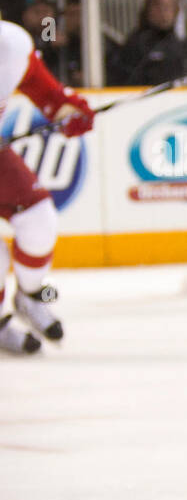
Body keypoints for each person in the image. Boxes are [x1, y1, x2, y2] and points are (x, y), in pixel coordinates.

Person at [0, 19, 94, 354]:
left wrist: (72, 113)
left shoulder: (11, 46)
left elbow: (51, 96)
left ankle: (30, 296)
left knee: (39, 218)